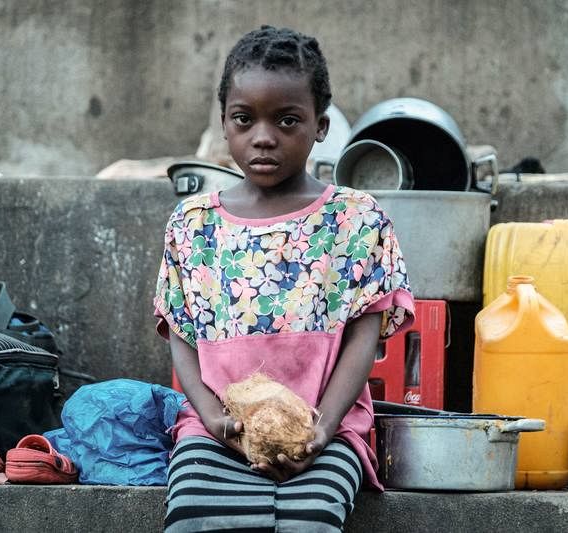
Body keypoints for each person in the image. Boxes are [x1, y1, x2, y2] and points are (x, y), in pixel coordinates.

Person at [154, 25, 414, 532]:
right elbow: (180, 332)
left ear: (320, 124)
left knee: (312, 517)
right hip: (218, 434)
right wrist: (211, 417)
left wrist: (324, 427)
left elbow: (366, 331)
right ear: (225, 122)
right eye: (244, 120)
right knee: (193, 513)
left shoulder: (354, 218)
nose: (263, 137)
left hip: (326, 430)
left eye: (287, 120)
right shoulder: (194, 224)